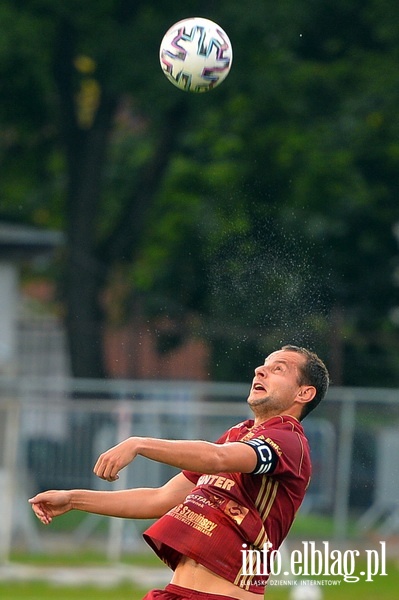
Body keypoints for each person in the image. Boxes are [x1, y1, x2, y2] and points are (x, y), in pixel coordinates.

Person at [29, 344, 329, 600]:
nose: (259, 371)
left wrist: (140, 443)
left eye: (278, 369)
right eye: (263, 366)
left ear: (304, 392)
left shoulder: (289, 440)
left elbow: (216, 458)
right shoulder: (238, 434)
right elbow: (159, 499)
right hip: (174, 592)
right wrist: (72, 499)